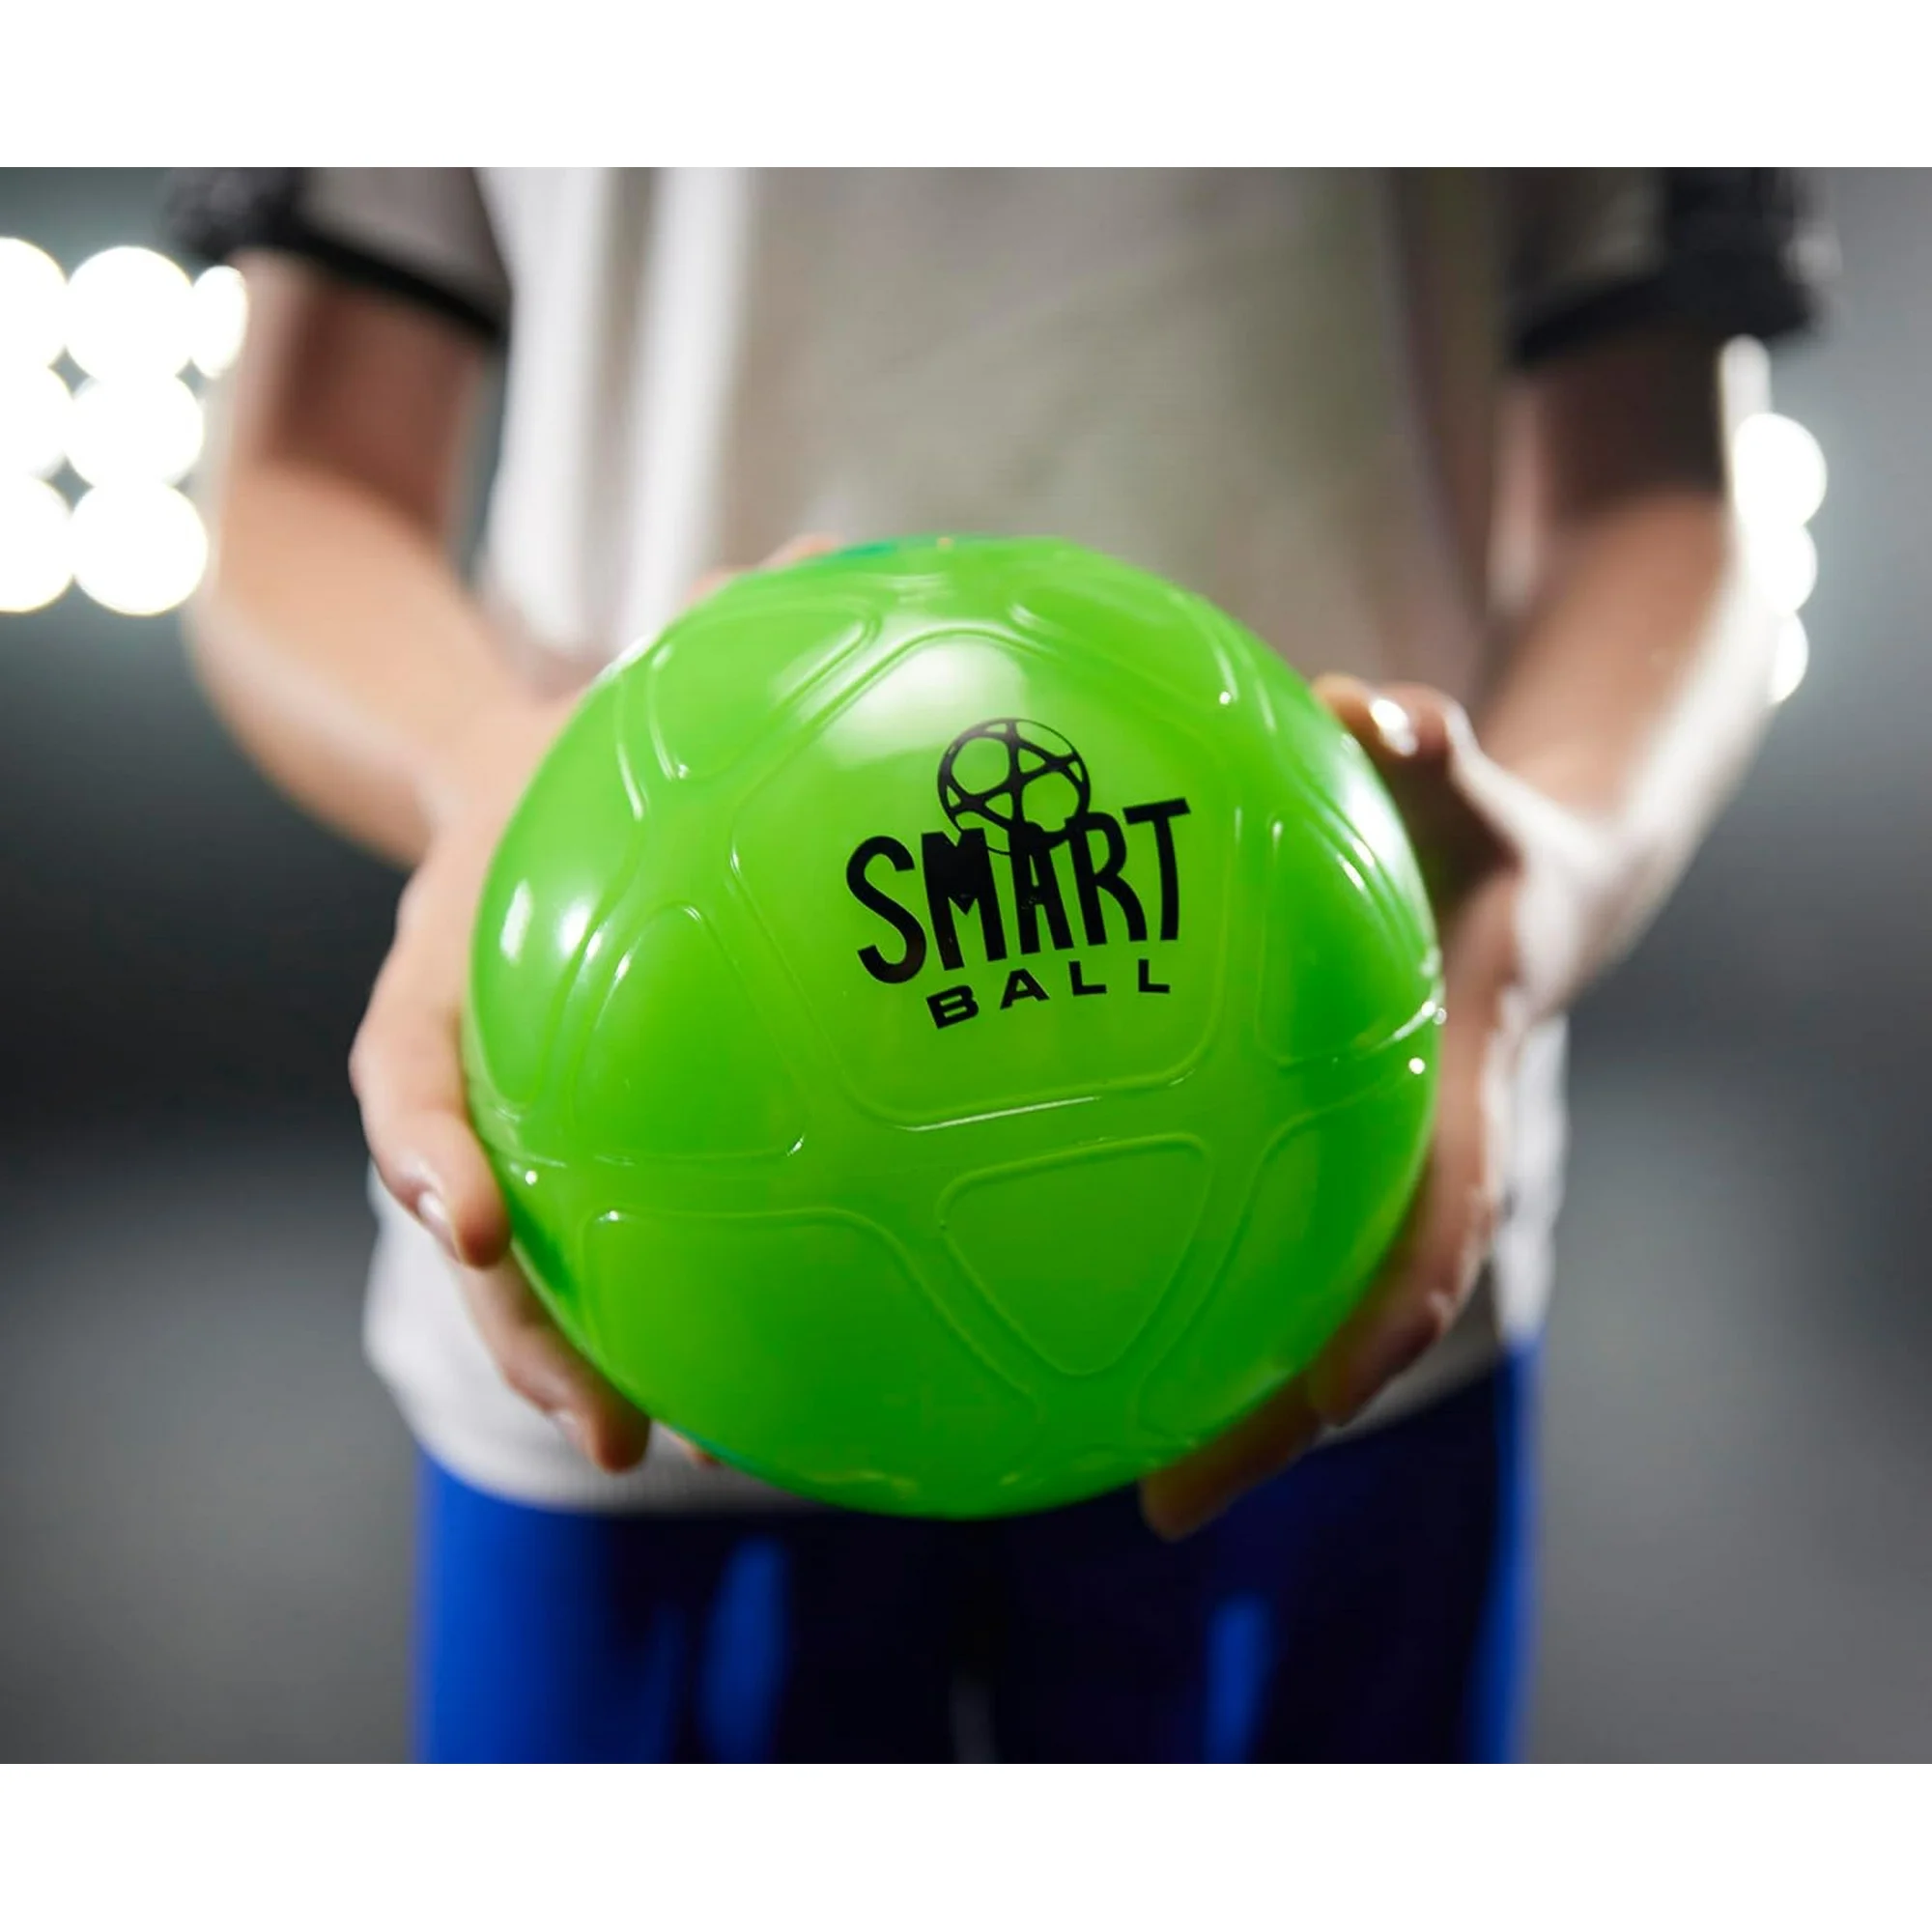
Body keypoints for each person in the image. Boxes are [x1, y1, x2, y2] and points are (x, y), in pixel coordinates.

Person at [168, 168, 1825, 1762]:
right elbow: (299, 479)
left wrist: (1538, 885)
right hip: (648, 1250)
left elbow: (1662, 490)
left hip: (1328, 1236)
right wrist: (495, 781)